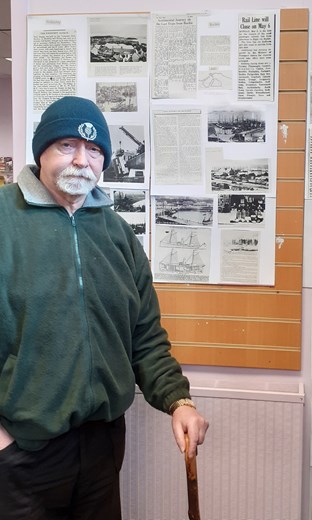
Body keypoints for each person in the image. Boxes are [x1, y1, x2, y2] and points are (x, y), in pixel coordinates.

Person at [0, 96, 209, 519]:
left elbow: (144, 335)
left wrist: (178, 401)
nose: (82, 160)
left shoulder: (117, 233)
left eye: (94, 151)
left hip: (102, 445)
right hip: (22, 451)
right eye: (67, 146)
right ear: (41, 149)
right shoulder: (5, 220)